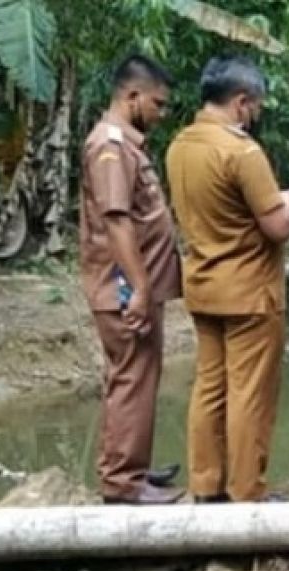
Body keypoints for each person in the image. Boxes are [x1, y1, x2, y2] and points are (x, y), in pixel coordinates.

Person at [166, 56, 289, 502]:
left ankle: (206, 485)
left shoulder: (179, 145)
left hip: (204, 286)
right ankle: (248, 491)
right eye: (257, 106)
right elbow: (277, 226)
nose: (257, 115)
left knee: (210, 386)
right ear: (241, 102)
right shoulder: (242, 152)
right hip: (249, 293)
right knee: (250, 393)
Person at [79, 55, 183, 505]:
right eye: (158, 104)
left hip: (136, 288)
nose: (161, 113)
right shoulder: (110, 146)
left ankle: (132, 467)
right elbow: (117, 221)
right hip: (123, 289)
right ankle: (122, 483)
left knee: (137, 376)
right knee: (130, 376)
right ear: (132, 96)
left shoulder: (126, 145)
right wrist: (139, 288)